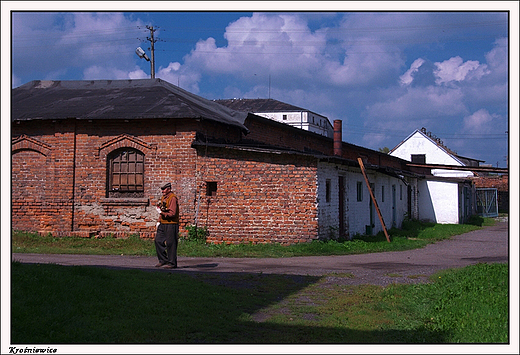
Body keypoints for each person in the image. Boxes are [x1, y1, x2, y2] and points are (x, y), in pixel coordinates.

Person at [154, 182, 179, 269]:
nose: (162, 191)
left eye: (164, 189)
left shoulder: (173, 198)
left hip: (171, 224)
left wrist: (162, 213)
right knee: (158, 241)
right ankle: (163, 260)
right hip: (163, 223)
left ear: (169, 189)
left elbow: (172, 213)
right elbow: (162, 210)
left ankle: (172, 263)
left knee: (170, 243)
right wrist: (159, 221)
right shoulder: (163, 198)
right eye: (162, 189)